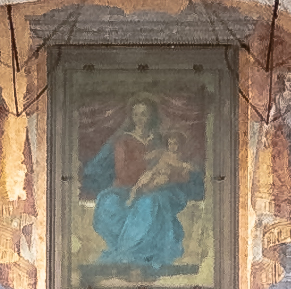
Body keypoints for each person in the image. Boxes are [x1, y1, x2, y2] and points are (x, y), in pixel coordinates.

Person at [81, 97, 205, 279]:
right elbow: (122, 170)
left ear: (151, 116)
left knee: (149, 202)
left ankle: (131, 258)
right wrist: (144, 173)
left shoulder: (160, 140)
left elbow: (178, 166)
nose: (140, 118)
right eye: (136, 114)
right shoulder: (123, 141)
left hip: (162, 190)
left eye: (144, 113)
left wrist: (168, 176)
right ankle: (130, 253)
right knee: (109, 203)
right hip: (125, 186)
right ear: (131, 116)